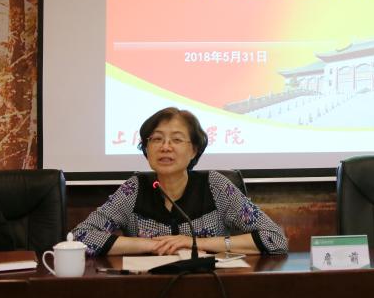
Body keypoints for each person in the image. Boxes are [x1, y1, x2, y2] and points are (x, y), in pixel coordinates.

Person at [73, 107, 288, 256]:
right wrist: (151, 245)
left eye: (176, 139)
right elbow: (80, 237)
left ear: (193, 150)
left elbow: (275, 239)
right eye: (157, 139)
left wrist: (194, 243)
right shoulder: (134, 189)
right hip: (147, 290)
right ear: (146, 149)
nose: (165, 147)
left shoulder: (216, 186)